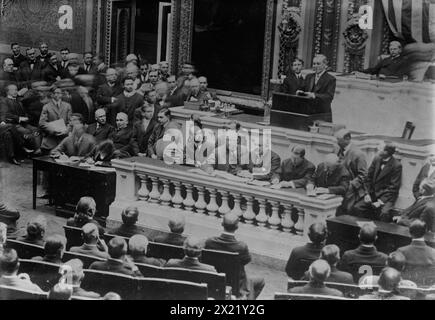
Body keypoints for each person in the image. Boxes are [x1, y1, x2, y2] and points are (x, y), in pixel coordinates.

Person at [205, 213, 265, 300]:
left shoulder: (209, 242)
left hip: (214, 281)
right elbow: (246, 261)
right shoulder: (241, 246)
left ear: (222, 224)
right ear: (237, 227)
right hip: (236, 284)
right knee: (260, 281)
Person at [351, 143, 402, 222]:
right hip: (372, 194)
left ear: (386, 152)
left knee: (384, 213)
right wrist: (367, 194)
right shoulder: (377, 159)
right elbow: (368, 179)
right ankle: (363, 230)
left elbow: (393, 188)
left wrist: (380, 202)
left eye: (380, 149)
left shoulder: (397, 165)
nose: (377, 150)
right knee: (357, 208)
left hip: (386, 197)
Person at [0, 83, 41, 155]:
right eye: (13, 90)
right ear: (7, 92)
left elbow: (24, 114)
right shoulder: (4, 101)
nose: (16, 91)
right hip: (14, 124)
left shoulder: (19, 102)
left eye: (16, 90)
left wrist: (27, 118)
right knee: (27, 131)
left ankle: (37, 150)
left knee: (36, 129)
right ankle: (28, 150)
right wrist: (19, 118)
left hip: (23, 124)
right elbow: (5, 114)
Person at [334, 129, 367, 214]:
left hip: (352, 190)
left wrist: (350, 185)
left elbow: (363, 175)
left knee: (346, 211)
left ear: (347, 139)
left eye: (338, 139)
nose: (336, 142)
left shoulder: (358, 154)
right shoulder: (337, 150)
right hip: (339, 185)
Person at [297, 54, 336, 122]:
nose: (315, 66)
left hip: (322, 113)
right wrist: (299, 92)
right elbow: (303, 89)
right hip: (308, 112)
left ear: (324, 65)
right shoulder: (309, 77)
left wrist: (314, 95)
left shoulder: (330, 79)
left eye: (318, 64)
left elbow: (329, 96)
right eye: (314, 64)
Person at [38, 86, 72, 152]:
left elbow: (70, 121)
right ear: (51, 94)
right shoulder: (46, 106)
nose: (57, 95)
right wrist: (53, 130)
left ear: (62, 94)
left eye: (59, 93)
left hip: (64, 139)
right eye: (55, 93)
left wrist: (67, 130)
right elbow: (42, 123)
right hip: (50, 140)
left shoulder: (67, 106)